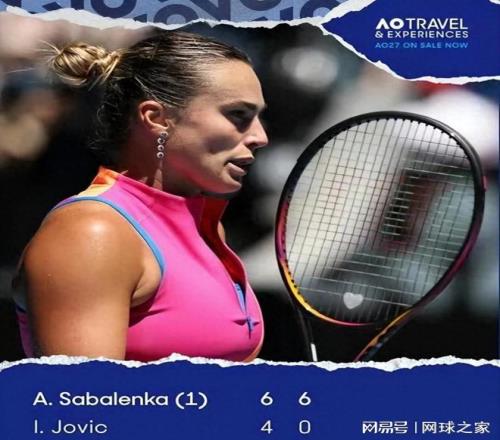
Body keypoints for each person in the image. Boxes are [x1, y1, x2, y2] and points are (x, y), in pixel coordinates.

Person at [14, 31, 268, 362]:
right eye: (238, 115)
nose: (260, 136)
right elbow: (83, 394)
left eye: (258, 117)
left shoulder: (209, 229)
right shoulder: (92, 233)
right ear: (157, 119)